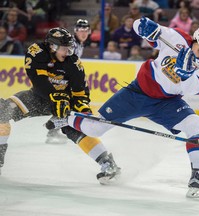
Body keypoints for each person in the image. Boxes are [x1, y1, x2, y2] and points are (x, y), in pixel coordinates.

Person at [47, 17, 199, 198]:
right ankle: (64, 116)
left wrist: (185, 76)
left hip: (166, 102)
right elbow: (139, 26)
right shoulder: (177, 37)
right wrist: (145, 27)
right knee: (94, 128)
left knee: (195, 124)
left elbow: (194, 88)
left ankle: (198, 177)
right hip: (137, 93)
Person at [0, 27, 120, 184]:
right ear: (52, 46)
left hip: (65, 101)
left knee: (74, 128)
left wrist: (83, 112)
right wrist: (56, 96)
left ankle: (108, 164)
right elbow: (38, 80)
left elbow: (80, 92)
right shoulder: (37, 51)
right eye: (65, 48)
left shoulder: (73, 62)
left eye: (70, 47)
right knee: (3, 110)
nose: (68, 51)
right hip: (39, 96)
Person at [45, 19, 92, 144]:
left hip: (65, 77)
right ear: (75, 31)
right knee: (68, 102)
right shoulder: (72, 44)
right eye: (80, 30)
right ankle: (55, 130)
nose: (83, 33)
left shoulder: (79, 43)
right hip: (60, 78)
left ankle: (54, 129)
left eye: (85, 30)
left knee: (68, 104)